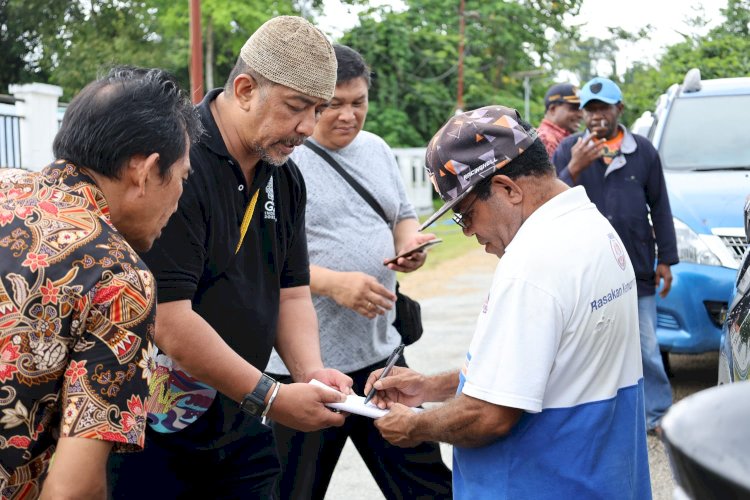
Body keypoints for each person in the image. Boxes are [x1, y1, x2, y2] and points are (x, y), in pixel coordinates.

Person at [107, 16, 354, 498]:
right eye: (297, 107)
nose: (308, 127)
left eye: (317, 109)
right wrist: (274, 395)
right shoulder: (178, 161)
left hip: (243, 415)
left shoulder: (284, 173)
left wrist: (309, 372)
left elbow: (292, 289)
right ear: (244, 89)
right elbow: (170, 320)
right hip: (158, 425)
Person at [365, 105, 652, 498]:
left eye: (465, 215)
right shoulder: (592, 228)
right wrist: (429, 387)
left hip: (538, 484)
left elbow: (490, 416)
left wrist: (414, 426)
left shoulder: (532, 265)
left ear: (506, 189)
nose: (469, 233)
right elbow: (542, 370)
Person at [0, 67, 201, 498]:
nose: (181, 197)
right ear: (144, 171)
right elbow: (73, 489)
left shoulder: (5, 186)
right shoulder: (119, 277)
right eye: (182, 177)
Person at [265, 44, 452, 500]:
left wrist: (410, 243)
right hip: (304, 371)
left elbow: (402, 215)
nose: (348, 115)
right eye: (333, 105)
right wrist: (332, 283)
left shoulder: (376, 149)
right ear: (310, 103)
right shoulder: (282, 158)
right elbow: (258, 260)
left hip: (381, 360)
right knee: (292, 490)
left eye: (358, 102)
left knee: (427, 486)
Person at [552, 76, 678, 434]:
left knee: (647, 348)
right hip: (586, 272)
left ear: (619, 109)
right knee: (591, 350)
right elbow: (548, 204)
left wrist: (666, 259)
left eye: (603, 108)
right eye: (589, 111)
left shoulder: (643, 151)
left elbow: (661, 207)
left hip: (637, 270)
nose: (596, 117)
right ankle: (600, 419)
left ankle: (657, 415)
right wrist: (573, 168)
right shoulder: (568, 151)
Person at [536, 82, 582, 158]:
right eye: (574, 108)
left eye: (581, 109)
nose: (581, 115)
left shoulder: (562, 139)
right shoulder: (545, 140)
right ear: (553, 109)